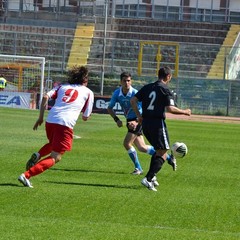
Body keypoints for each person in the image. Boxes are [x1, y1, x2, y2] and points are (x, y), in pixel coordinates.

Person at [18, 65, 94, 188]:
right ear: (85, 80)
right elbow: (85, 117)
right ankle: (26, 175)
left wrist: (40, 117)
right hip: (65, 124)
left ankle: (38, 155)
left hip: (50, 120)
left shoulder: (61, 87)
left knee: (53, 144)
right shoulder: (88, 92)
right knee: (56, 156)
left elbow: (45, 97)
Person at [130, 66, 191, 191]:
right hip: (157, 124)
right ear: (168, 77)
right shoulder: (165, 89)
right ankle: (148, 178)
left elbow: (133, 100)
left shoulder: (148, 87)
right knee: (163, 153)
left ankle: (151, 177)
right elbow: (170, 109)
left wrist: (139, 116)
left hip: (146, 123)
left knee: (159, 151)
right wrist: (185, 112)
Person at [107, 71, 176, 175]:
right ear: (120, 82)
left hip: (138, 119)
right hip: (129, 120)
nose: (127, 83)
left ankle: (138, 168)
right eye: (124, 81)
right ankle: (169, 158)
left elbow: (145, 107)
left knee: (127, 143)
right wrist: (117, 120)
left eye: (129, 81)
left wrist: (137, 120)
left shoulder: (135, 92)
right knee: (142, 147)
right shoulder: (117, 93)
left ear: (131, 81)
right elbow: (109, 108)